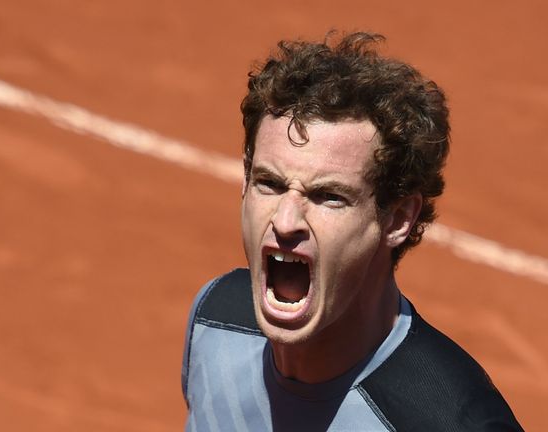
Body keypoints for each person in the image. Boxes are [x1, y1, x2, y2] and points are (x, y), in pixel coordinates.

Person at [181, 32, 522, 431]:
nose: (286, 221)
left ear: (397, 218)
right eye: (269, 183)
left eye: (328, 196)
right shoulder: (216, 319)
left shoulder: (452, 421)